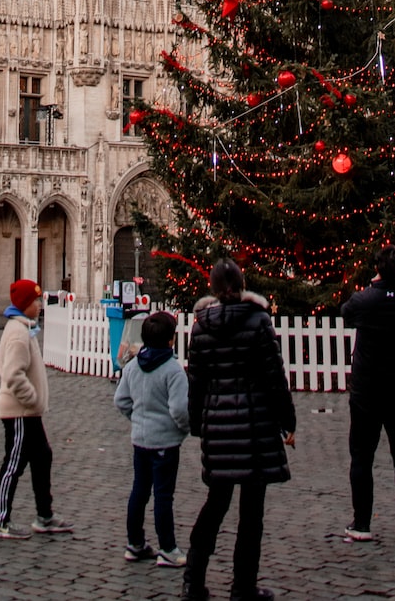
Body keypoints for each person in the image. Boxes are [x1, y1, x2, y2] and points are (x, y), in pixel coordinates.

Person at [183, 258, 297, 601]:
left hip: (217, 425)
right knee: (251, 513)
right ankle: (242, 587)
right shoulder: (259, 320)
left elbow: (196, 382)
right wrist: (287, 420)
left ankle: (192, 580)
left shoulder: (201, 326)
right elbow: (274, 376)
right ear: (242, 284)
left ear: (213, 288)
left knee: (214, 505)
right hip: (255, 424)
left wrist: (197, 423)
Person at [339, 245, 395, 542]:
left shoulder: (364, 300)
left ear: (377, 270)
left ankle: (361, 522)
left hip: (368, 390)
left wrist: (374, 287)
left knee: (362, 457)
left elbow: (346, 313)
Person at [0, 278, 72, 539]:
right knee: (14, 463)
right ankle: (0, 520)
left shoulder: (25, 328)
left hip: (28, 412)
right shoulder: (17, 332)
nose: (39, 304)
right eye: (35, 301)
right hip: (20, 411)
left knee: (42, 456)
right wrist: (33, 399)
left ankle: (44, 515)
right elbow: (12, 374)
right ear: (25, 305)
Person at [114, 310, 190, 567]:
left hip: (140, 439)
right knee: (163, 495)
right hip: (165, 442)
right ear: (171, 340)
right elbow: (180, 410)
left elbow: (121, 400)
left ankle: (135, 543)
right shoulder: (173, 370)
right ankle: (167, 547)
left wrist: (137, 419)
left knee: (139, 491)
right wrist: (183, 428)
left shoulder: (133, 366)